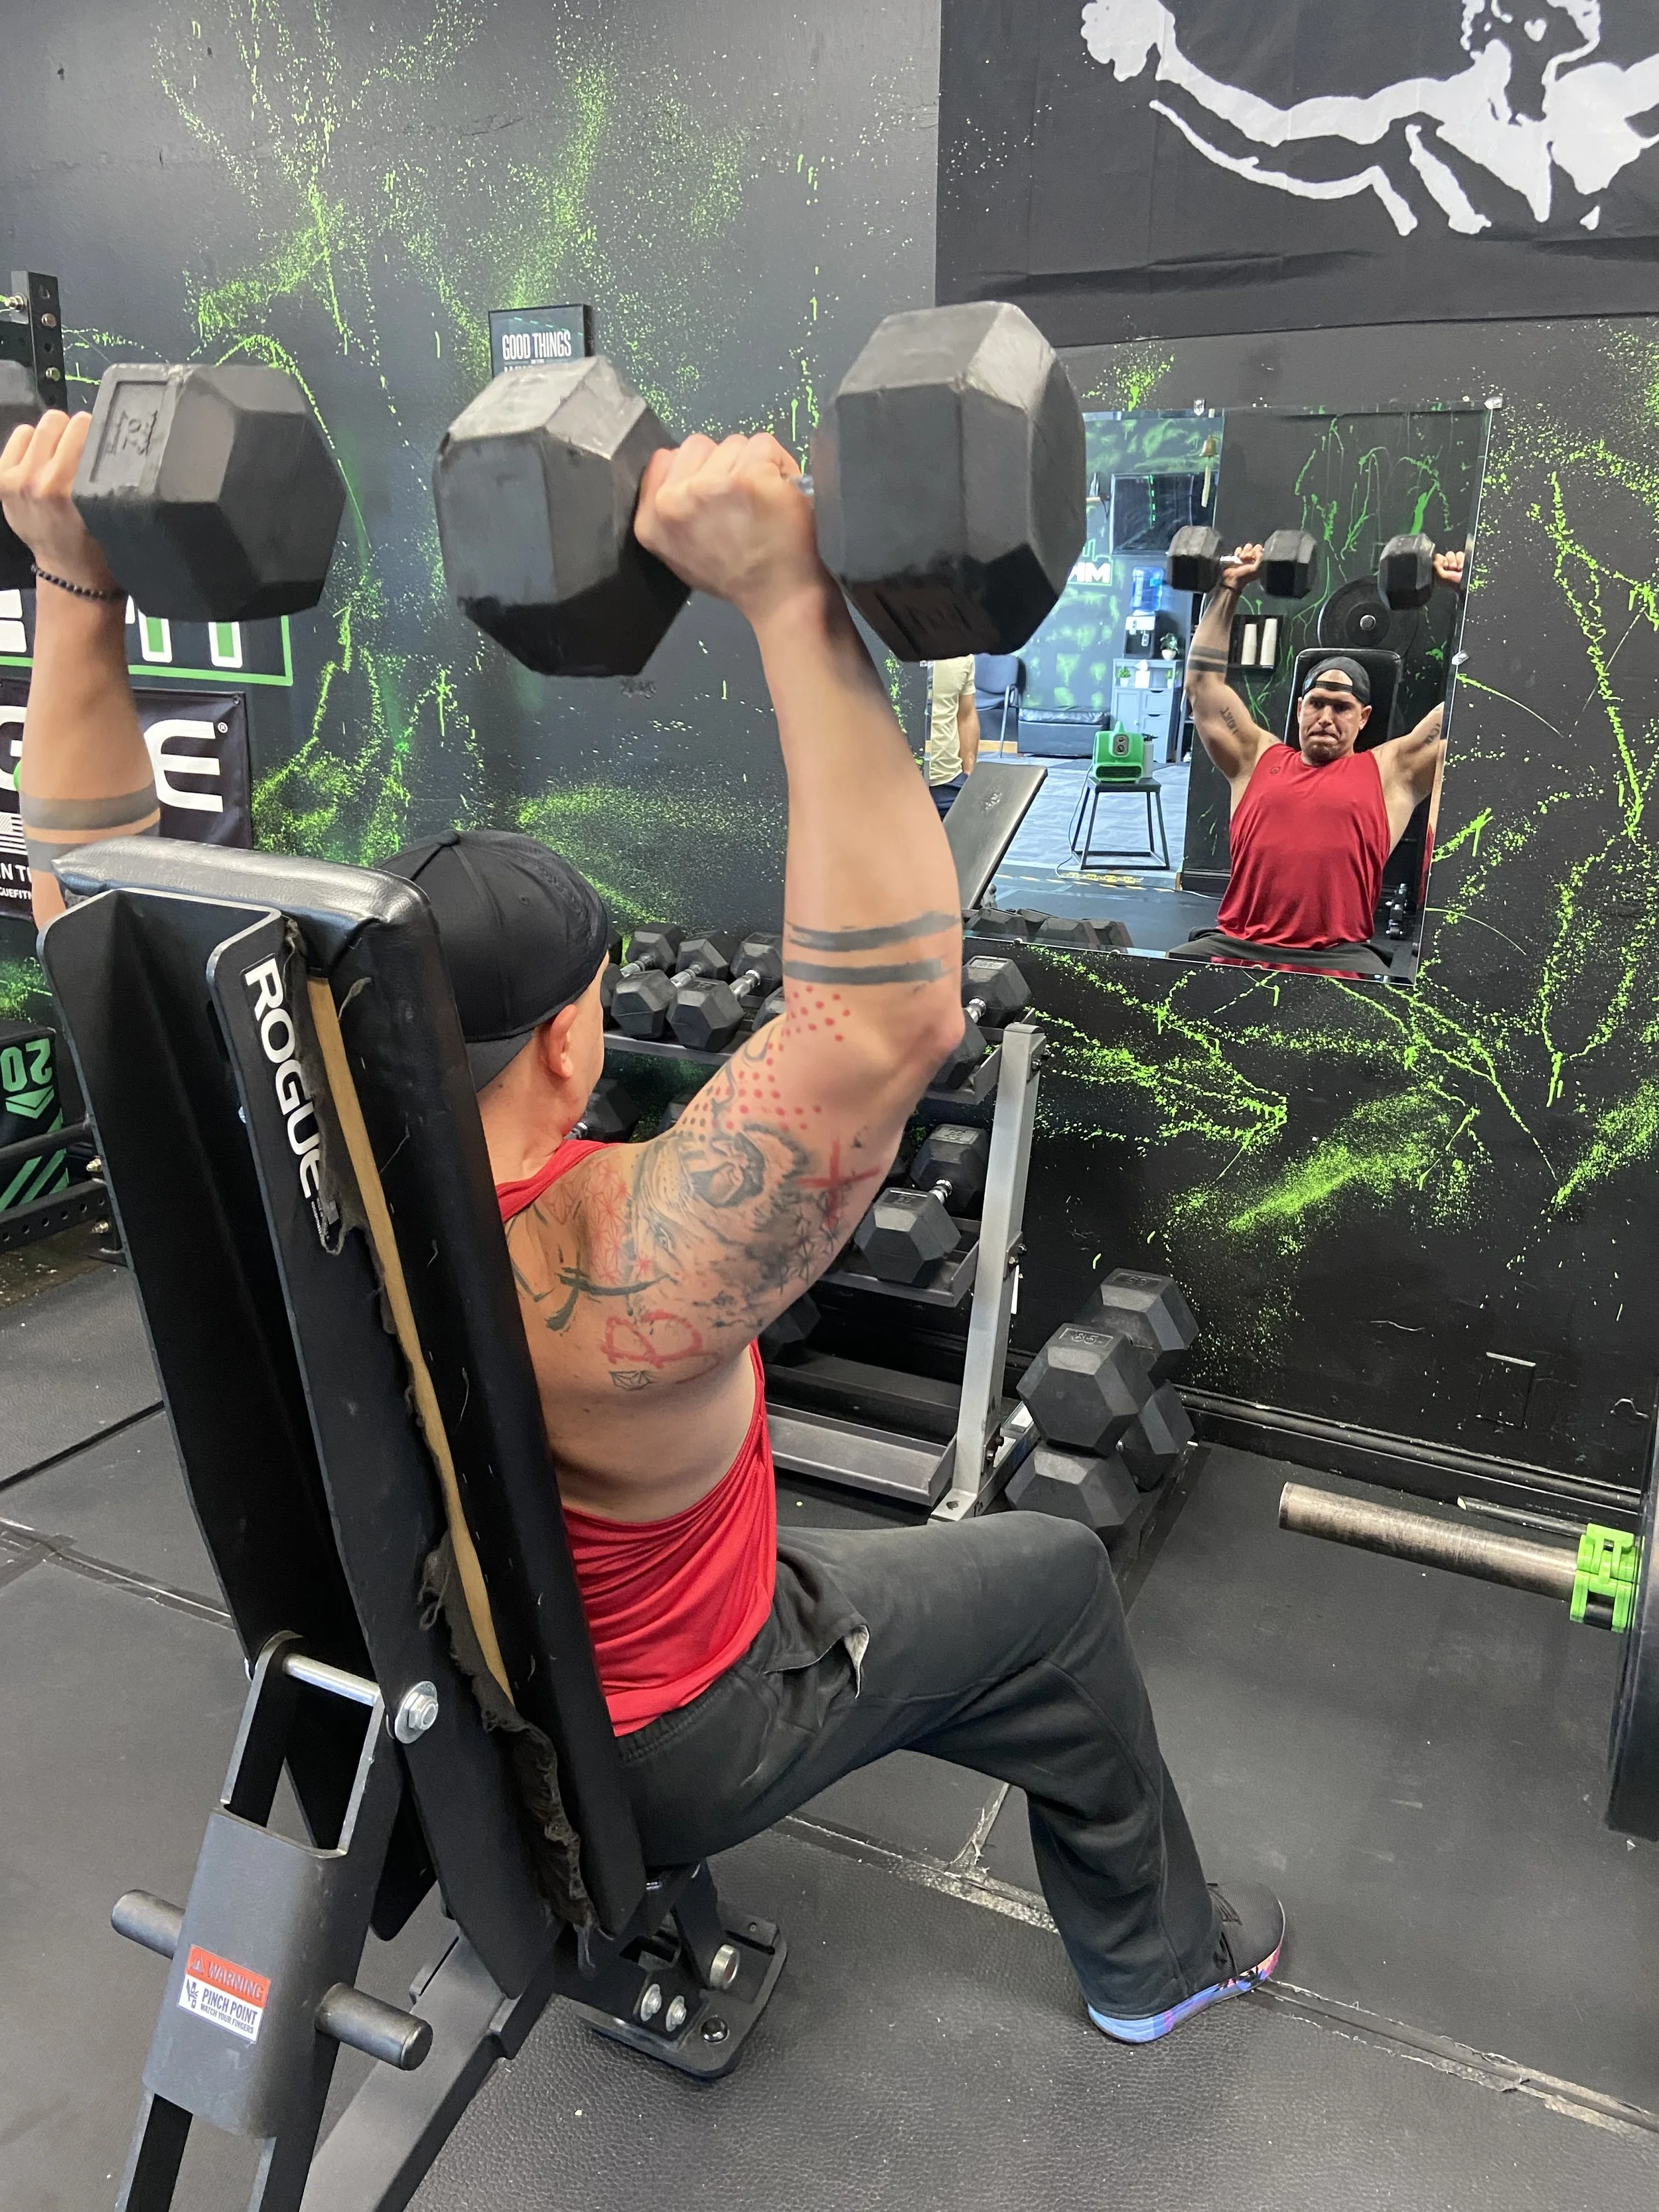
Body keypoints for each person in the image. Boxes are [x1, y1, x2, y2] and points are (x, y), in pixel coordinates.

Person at [1, 406, 1283, 2043]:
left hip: (465, 1709)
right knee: (1046, 1587)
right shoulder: (608, 1271)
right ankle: (1160, 1965)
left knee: (887, 1586)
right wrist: (788, 600)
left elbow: (94, 913)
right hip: (678, 1733)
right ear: (568, 1040)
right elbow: (889, 1027)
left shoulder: (288, 1191)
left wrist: (75, 585)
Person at [1170, 540, 1463, 979]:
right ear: (1299, 709)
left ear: (1364, 717)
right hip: (1238, 944)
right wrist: (1228, 587)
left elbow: (1470, 706)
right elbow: (1203, 689)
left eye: (1342, 707)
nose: (1326, 717)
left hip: (1335, 959)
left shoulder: (1390, 772)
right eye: (1317, 703)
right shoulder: (1256, 757)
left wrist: (1467, 595)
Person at [923, 652, 979, 814]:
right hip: (891, 783)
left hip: (947, 781)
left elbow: (966, 714)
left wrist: (968, 772)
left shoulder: (961, 653)